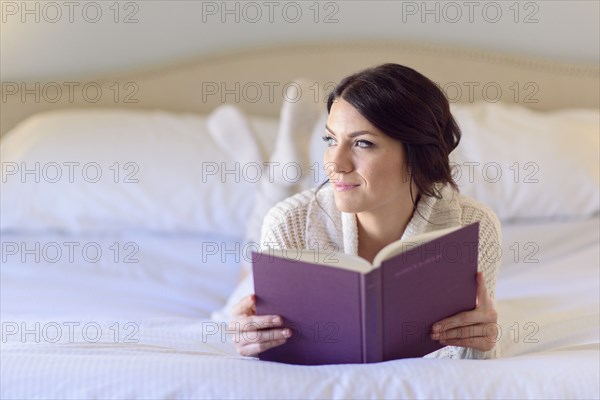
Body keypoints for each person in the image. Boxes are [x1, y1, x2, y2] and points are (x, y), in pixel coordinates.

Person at [228, 63, 501, 360]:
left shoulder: (473, 226)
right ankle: (281, 177)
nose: (335, 164)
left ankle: (284, 172)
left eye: (362, 143)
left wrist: (482, 344)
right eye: (330, 140)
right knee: (246, 271)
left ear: (418, 155)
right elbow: (275, 356)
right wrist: (251, 340)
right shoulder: (288, 223)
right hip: (285, 226)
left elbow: (466, 356)